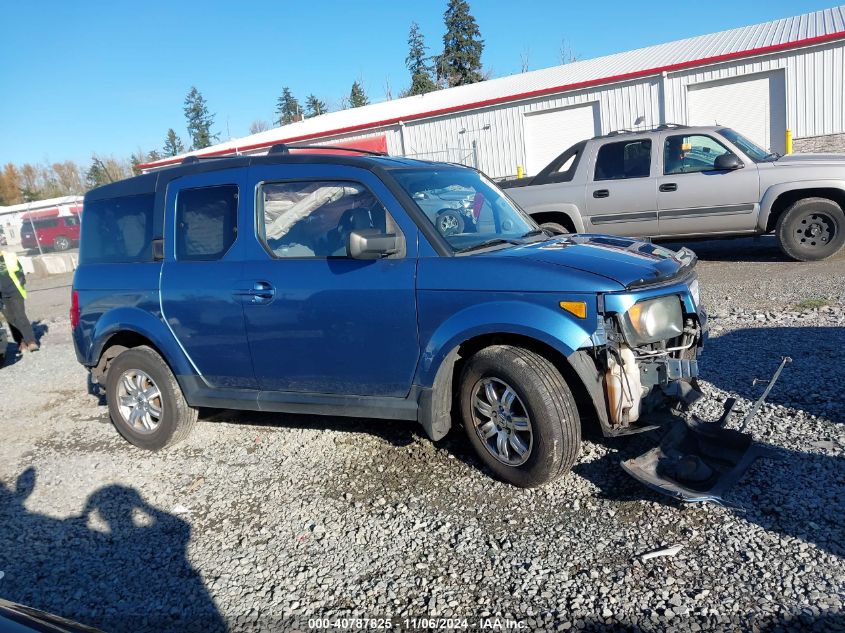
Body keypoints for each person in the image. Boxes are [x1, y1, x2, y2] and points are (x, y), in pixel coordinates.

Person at [0, 250, 38, 352]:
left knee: (20, 315)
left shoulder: (9, 256)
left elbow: (20, 270)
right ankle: (21, 342)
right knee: (11, 319)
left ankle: (31, 341)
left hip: (15, 291)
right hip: (1, 296)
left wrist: (21, 280)